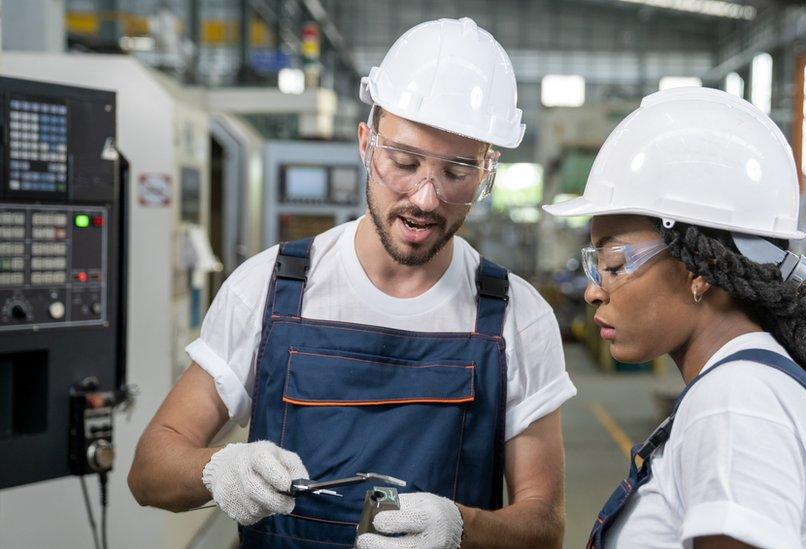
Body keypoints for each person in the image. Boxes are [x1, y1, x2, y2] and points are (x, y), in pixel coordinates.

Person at [129, 17, 575, 549]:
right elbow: (150, 470)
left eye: (456, 173)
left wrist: (462, 528)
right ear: (367, 144)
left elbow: (544, 526)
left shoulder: (515, 317)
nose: (425, 198)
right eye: (404, 162)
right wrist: (218, 469)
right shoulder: (270, 288)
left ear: (487, 172)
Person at [544, 87, 806, 548]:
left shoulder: (738, 403)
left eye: (614, 265)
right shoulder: (746, 386)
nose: (593, 291)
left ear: (701, 270)